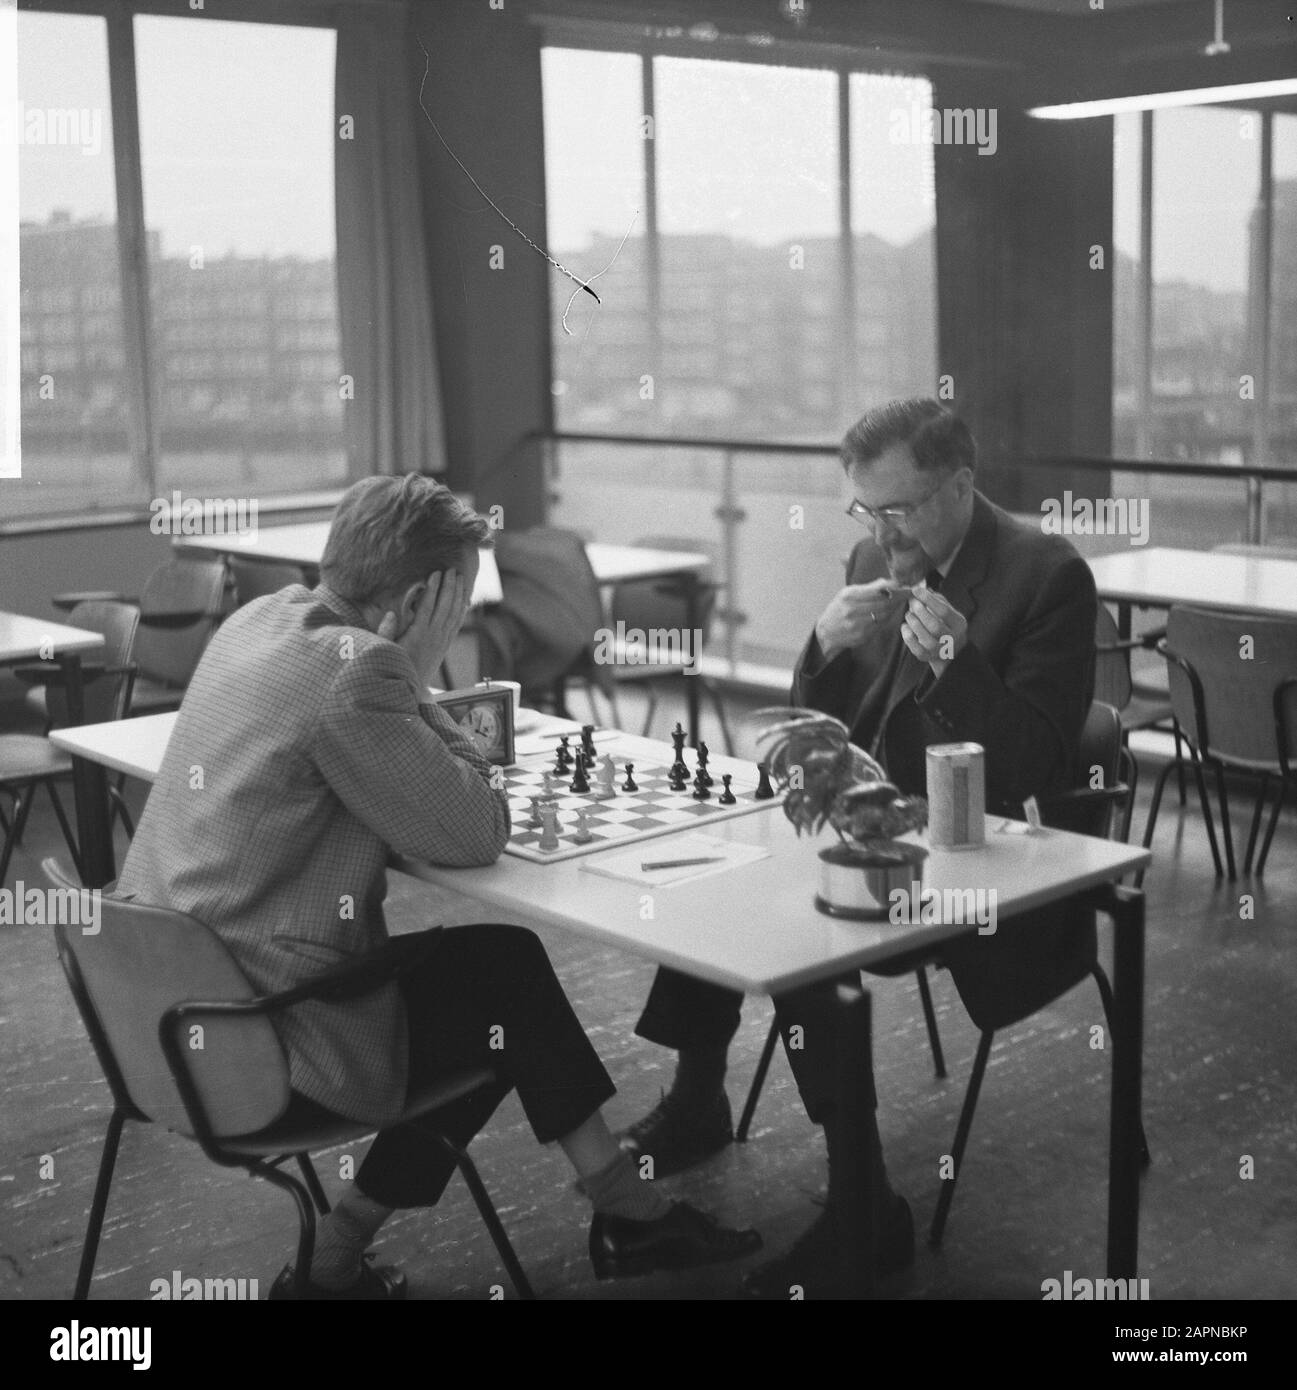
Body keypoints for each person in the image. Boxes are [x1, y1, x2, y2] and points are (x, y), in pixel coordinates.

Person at [113, 474, 760, 1299]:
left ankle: (598, 1215)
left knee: (493, 985)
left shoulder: (258, 619)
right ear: (430, 595)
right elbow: (475, 830)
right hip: (259, 1037)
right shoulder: (360, 672)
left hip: (159, 1015)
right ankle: (621, 1216)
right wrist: (415, 672)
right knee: (503, 987)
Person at [619, 398, 1098, 1297]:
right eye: (863, 511)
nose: (880, 534)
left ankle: (861, 1208)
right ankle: (696, 1098)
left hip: (983, 856)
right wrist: (821, 647)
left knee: (808, 937)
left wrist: (963, 666)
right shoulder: (872, 555)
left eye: (899, 510)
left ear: (960, 484)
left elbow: (1035, 762)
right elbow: (827, 727)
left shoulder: (1047, 575)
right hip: (870, 821)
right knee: (726, 865)